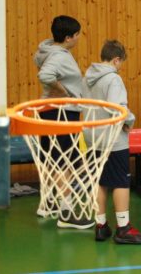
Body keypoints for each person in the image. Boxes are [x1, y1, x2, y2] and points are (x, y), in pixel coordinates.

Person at [82, 40, 141, 244]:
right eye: (121, 63)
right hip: (111, 138)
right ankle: (123, 228)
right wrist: (129, 119)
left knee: (100, 182)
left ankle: (101, 225)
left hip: (91, 136)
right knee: (121, 181)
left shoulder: (87, 78)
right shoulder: (113, 79)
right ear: (116, 59)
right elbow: (116, 109)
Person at [33, 15, 94, 229]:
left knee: (52, 159)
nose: (78, 38)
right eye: (76, 35)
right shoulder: (59, 57)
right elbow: (46, 75)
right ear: (68, 37)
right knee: (64, 161)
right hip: (61, 112)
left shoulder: (48, 50)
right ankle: (66, 212)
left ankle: (48, 203)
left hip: (50, 111)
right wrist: (63, 92)